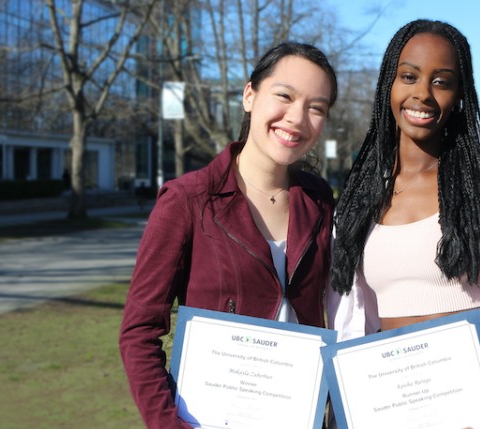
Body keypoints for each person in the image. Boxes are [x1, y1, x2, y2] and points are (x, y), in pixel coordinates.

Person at [328, 20, 480, 429]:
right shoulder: (358, 199)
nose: (422, 94)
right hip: (390, 409)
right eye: (409, 76)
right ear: (389, 86)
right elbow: (349, 322)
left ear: (459, 95)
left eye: (442, 81)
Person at [119, 42, 338, 429]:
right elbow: (139, 332)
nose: (297, 118)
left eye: (316, 107)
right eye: (284, 96)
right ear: (250, 95)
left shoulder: (319, 201)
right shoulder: (188, 199)